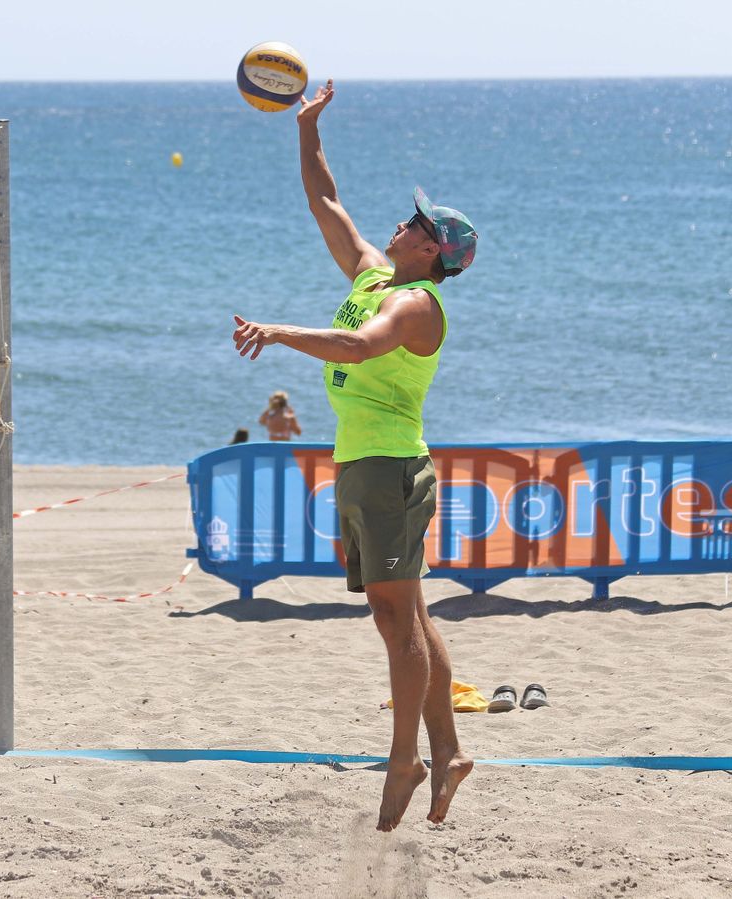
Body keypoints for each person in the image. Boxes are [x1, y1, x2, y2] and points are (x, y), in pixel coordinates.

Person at [231, 79, 478, 832]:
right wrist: (306, 128)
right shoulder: (375, 275)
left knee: (396, 620)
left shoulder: (416, 305)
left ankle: (407, 759)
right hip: (365, 464)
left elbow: (359, 347)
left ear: (431, 249)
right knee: (408, 614)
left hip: (389, 469)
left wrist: (279, 331)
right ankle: (448, 750)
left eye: (414, 222)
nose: (399, 222)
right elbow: (325, 201)